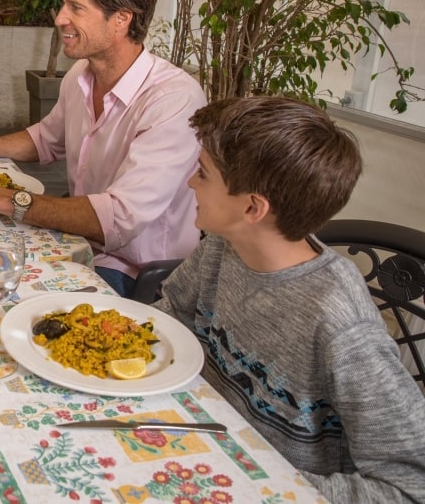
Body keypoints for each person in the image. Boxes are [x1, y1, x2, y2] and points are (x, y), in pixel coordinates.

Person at [153, 96, 425, 503]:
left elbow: (410, 487)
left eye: (203, 174)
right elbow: (168, 317)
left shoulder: (340, 324)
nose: (191, 182)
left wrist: (257, 481)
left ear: (252, 207)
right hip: (194, 441)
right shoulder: (224, 247)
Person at [0, 0, 206, 297]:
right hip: (79, 246)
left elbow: (118, 220)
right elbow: (46, 139)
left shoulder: (174, 100)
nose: (59, 18)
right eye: (64, 4)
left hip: (138, 276)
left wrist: (1, 198)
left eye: (75, 8)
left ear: (122, 18)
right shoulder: (80, 76)